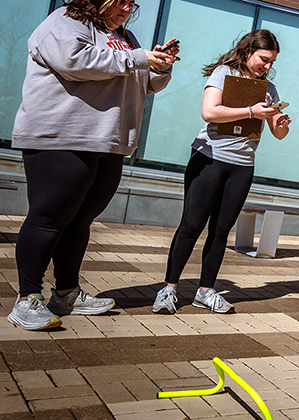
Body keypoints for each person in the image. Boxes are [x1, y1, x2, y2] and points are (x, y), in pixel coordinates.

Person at [6, 0, 177, 331]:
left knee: (80, 219)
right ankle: (26, 299)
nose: (128, 9)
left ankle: (66, 294)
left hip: (106, 140)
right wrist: (140, 58)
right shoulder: (64, 22)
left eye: (132, 3)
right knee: (49, 217)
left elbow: (140, 80)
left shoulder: (124, 37)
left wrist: (160, 66)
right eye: (121, 1)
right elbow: (76, 62)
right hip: (63, 136)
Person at [152, 29, 291, 315]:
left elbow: (279, 134)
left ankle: (206, 291)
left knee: (220, 231)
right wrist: (252, 112)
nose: (267, 67)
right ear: (248, 51)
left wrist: (280, 122)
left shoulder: (268, 88)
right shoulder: (224, 73)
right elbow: (209, 112)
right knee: (191, 225)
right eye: (263, 59)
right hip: (209, 158)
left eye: (272, 62)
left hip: (242, 166)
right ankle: (168, 289)